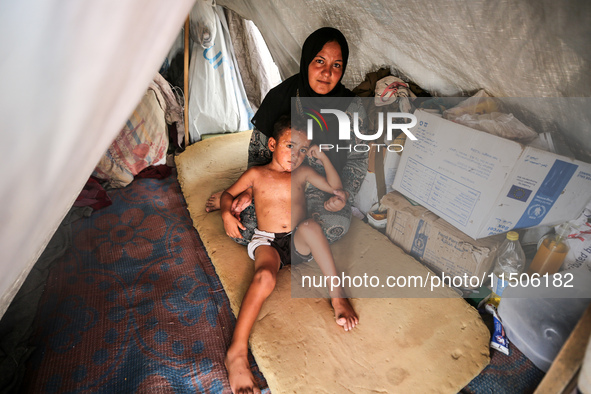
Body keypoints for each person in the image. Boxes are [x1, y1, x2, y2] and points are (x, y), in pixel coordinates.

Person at [222, 116, 358, 394]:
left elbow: (335, 186)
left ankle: (338, 296)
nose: (295, 156)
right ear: (272, 144)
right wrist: (226, 212)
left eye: (302, 151)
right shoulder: (256, 175)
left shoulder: (304, 173)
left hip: (298, 238)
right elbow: (228, 194)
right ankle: (236, 353)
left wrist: (322, 159)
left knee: (311, 226)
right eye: (289, 146)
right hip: (267, 241)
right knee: (263, 278)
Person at [206, 27, 368, 246]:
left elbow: (357, 160)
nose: (327, 72)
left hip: (321, 188)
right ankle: (238, 198)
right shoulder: (280, 97)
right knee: (243, 226)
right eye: (320, 61)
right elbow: (258, 151)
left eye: (336, 65)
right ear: (307, 61)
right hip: (276, 187)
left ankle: (286, 241)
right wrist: (251, 190)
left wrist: (343, 196)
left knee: (333, 225)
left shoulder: (352, 107)